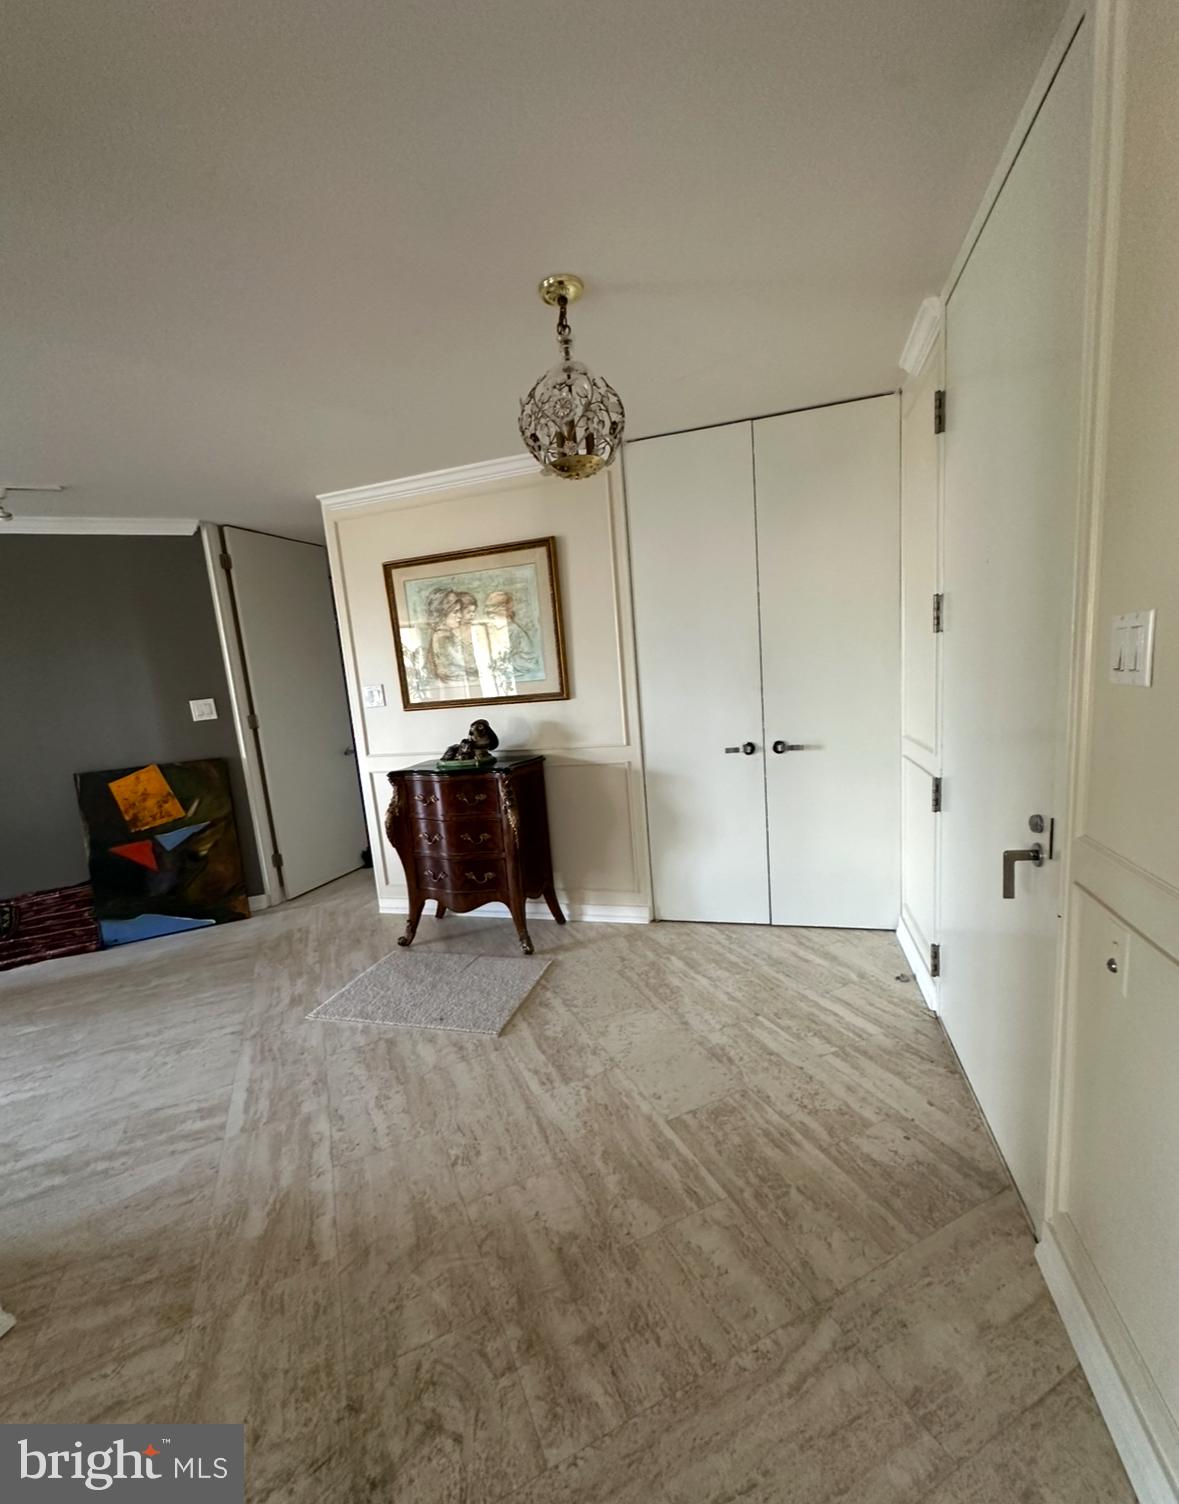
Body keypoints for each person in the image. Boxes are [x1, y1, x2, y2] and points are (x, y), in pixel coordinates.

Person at [484, 590, 541, 680]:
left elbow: (506, 653)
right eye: (490, 617)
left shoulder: (513, 629)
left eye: (493, 617)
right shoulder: (502, 629)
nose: (492, 621)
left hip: (522, 664)